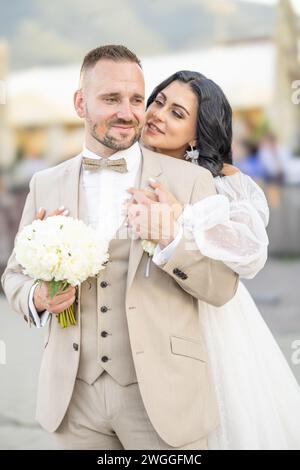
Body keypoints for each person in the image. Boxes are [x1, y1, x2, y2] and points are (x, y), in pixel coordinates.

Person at [1, 46, 238, 450]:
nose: (128, 113)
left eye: (135, 99)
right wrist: (38, 296)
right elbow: (13, 276)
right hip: (74, 401)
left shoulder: (190, 182)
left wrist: (171, 240)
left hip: (163, 399)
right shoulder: (45, 182)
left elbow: (222, 288)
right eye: (110, 99)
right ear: (80, 103)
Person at [126, 70, 300, 449]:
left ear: (196, 132)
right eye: (158, 101)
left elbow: (250, 250)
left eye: (176, 112)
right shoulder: (127, 166)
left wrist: (180, 220)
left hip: (207, 315)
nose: (158, 114)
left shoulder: (220, 180)